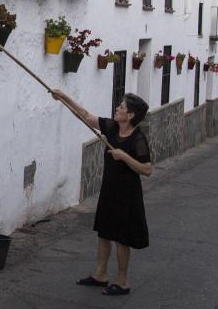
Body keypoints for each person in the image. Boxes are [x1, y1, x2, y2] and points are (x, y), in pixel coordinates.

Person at [51, 89, 152, 297]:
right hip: (109, 191)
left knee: (122, 239)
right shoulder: (113, 128)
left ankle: (122, 282)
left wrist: (123, 156)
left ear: (130, 115)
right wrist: (63, 97)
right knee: (104, 233)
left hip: (127, 195)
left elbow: (147, 169)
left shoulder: (137, 139)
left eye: (122, 107)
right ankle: (100, 275)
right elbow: (86, 116)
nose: (117, 108)